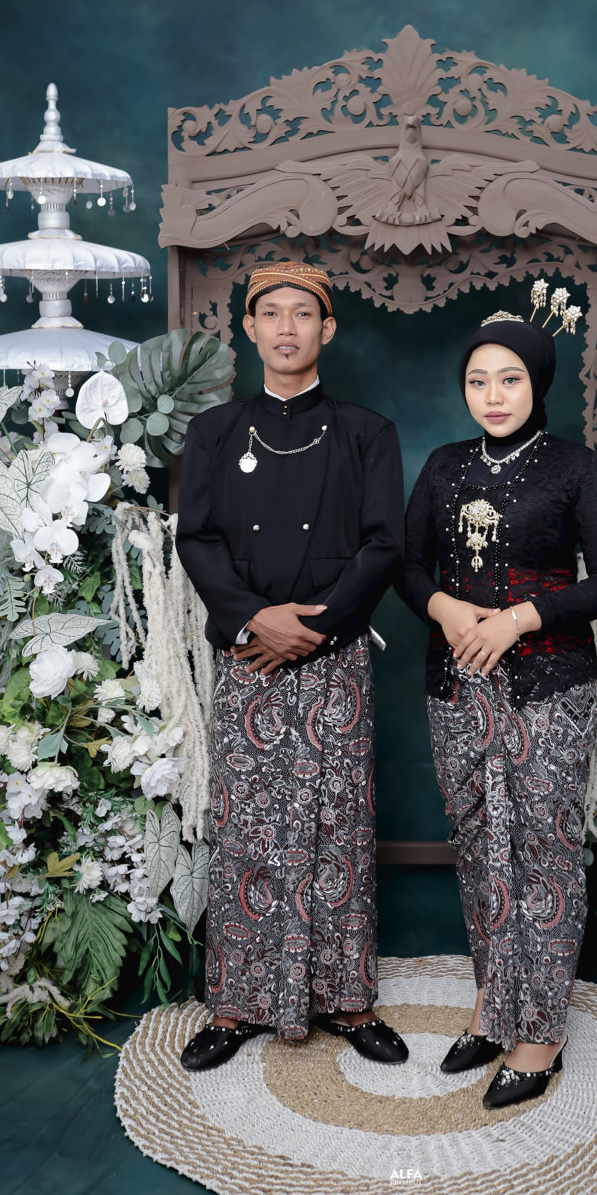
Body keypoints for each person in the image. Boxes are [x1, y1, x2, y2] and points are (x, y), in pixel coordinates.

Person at [174, 261, 409, 1071]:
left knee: (339, 829)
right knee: (247, 829)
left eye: (302, 313)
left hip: (334, 658)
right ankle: (236, 1003)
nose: (285, 326)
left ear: (326, 329)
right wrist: (255, 619)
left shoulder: (367, 431)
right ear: (248, 328)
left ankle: (347, 998)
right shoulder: (213, 431)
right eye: (269, 312)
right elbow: (196, 538)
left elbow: (384, 544)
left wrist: (312, 626)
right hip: (247, 656)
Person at [399, 309, 597, 1110]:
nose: (493, 395)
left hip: (549, 683)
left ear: (538, 384)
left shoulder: (574, 466)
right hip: (458, 681)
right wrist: (442, 606)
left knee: (544, 848)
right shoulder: (443, 465)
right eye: (478, 380)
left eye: (510, 379)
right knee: (479, 845)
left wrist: (519, 619)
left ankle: (542, 1032)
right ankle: (493, 1006)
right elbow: (407, 566)